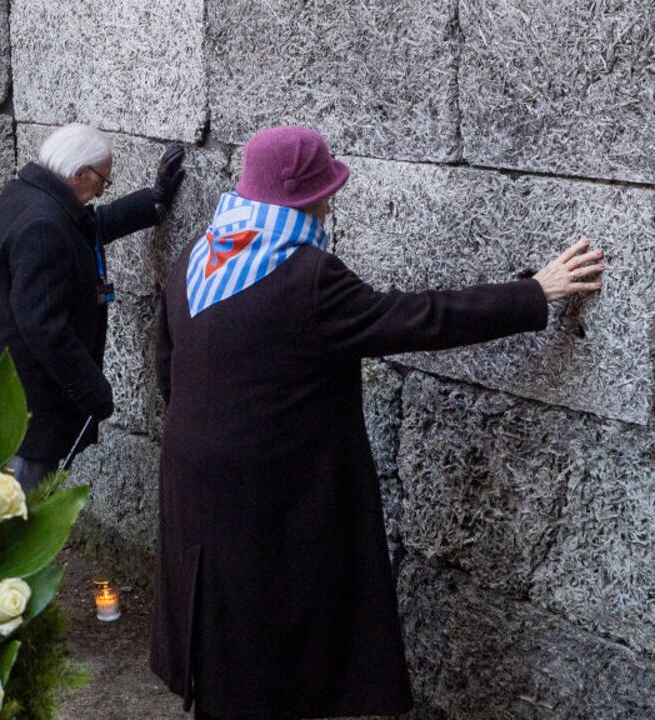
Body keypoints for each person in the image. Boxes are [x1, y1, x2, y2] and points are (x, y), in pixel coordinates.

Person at [149, 125, 605, 720]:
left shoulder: (193, 260)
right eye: (326, 191)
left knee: (218, 629)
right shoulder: (308, 277)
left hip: (193, 486)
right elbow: (415, 319)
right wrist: (532, 293)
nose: (331, 202)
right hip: (275, 499)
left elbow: (168, 369)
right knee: (278, 645)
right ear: (306, 199)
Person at [0, 123, 186, 489]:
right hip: (31, 403)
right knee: (17, 514)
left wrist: (152, 201)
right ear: (79, 173)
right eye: (103, 181)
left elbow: (84, 229)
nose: (103, 190)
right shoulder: (43, 224)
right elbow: (45, 327)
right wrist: (92, 389)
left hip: (17, 390)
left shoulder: (27, 195)